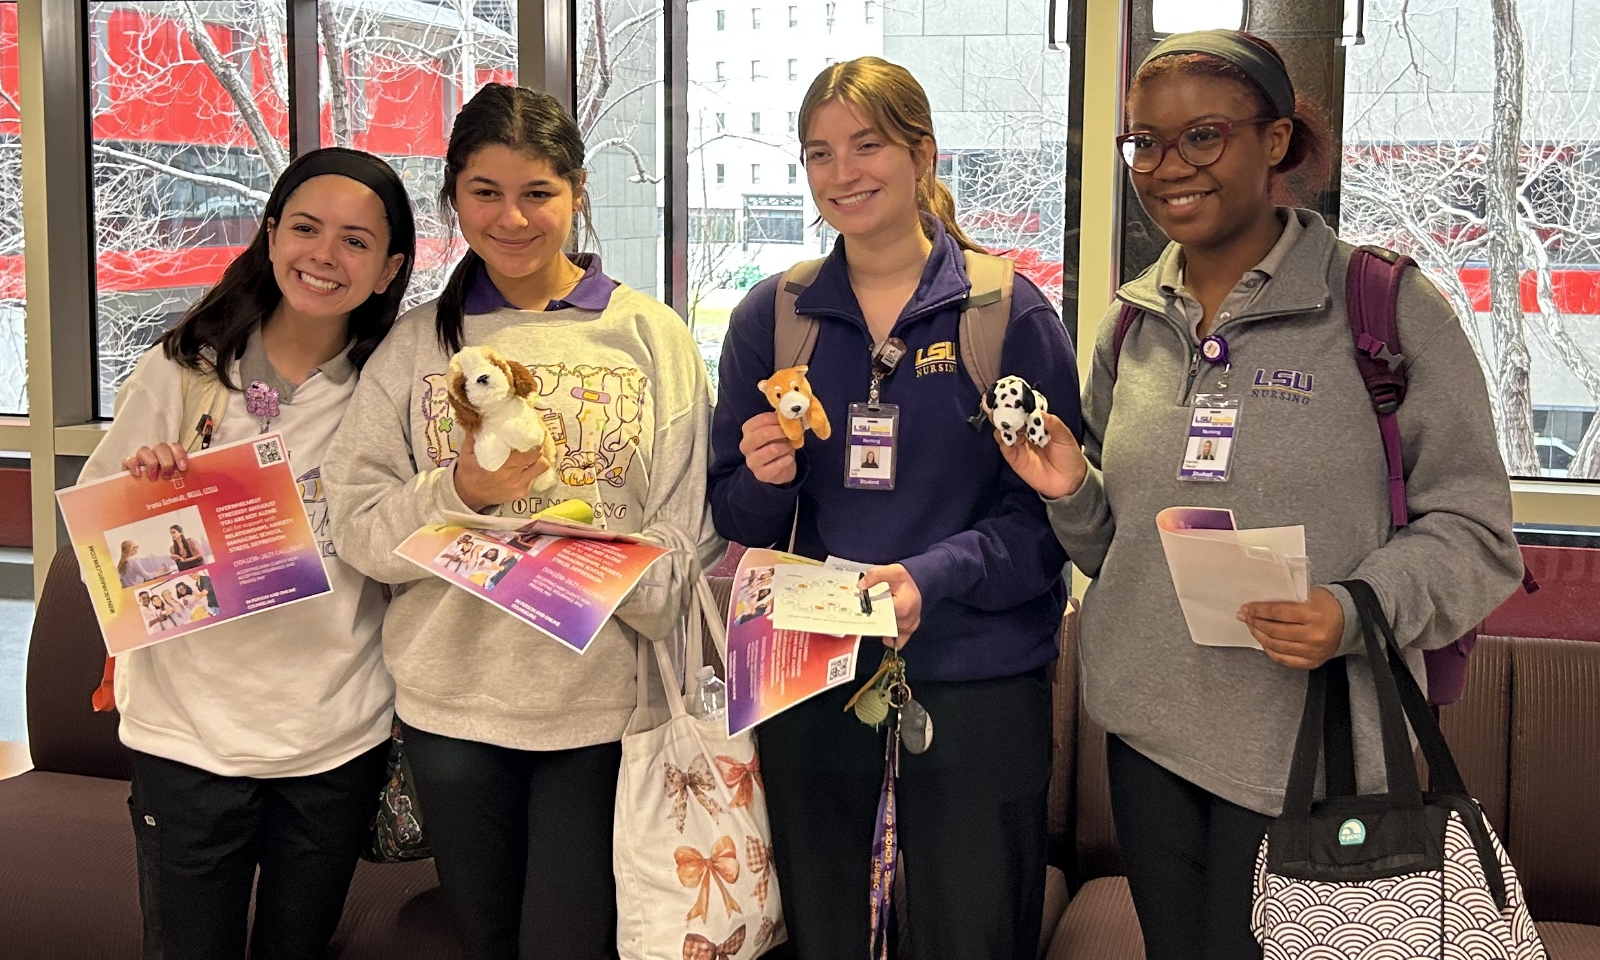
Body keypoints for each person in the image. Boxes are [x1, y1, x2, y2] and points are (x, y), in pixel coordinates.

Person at [997, 31, 1522, 960]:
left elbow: (1478, 534)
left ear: (1275, 140)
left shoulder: (1384, 310)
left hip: (1315, 750)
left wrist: (1354, 609)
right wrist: (1072, 490)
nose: (1168, 168)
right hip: (1151, 735)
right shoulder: (1133, 325)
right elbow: (1113, 552)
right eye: (1145, 143)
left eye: (1203, 136)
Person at [323, 83, 719, 960]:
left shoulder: (648, 335)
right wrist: (460, 491)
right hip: (451, 708)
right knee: (485, 942)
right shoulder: (418, 347)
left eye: (538, 193)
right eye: (484, 193)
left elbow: (689, 526)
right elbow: (354, 525)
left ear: (577, 193)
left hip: (603, 709)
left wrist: (614, 580)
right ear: (453, 198)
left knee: (574, 943)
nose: (512, 219)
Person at [707, 57, 1080, 960]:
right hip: (813, 676)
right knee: (829, 933)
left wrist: (927, 579)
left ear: (922, 155)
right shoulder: (775, 315)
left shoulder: (1004, 314)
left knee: (975, 933)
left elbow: (1051, 527)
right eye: (819, 153)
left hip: (979, 676)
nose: (843, 173)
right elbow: (741, 519)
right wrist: (765, 474)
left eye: (867, 145)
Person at [77, 146, 416, 960]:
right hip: (189, 734)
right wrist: (148, 494)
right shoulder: (185, 369)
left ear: (388, 268)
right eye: (305, 228)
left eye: (355, 241)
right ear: (270, 237)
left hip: (337, 735)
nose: (323, 256)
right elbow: (99, 544)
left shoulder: (391, 388)